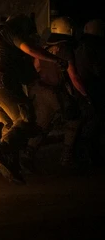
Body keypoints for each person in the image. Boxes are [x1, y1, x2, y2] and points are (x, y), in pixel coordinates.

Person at [0, 14, 68, 184]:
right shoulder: (9, 32)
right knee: (26, 118)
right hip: (0, 83)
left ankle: (9, 165)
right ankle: (0, 151)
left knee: (12, 125)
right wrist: (55, 59)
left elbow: (21, 69)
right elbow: (29, 49)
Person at [22, 16, 87, 171]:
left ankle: (26, 158)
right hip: (54, 91)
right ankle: (66, 157)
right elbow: (74, 76)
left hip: (40, 89)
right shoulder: (65, 48)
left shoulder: (44, 48)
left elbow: (36, 67)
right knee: (74, 119)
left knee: (42, 125)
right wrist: (86, 96)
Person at [74, 19, 105, 168]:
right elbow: (98, 69)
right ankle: (89, 155)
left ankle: (83, 154)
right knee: (94, 121)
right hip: (91, 86)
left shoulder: (80, 45)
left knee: (87, 121)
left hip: (81, 86)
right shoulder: (94, 47)